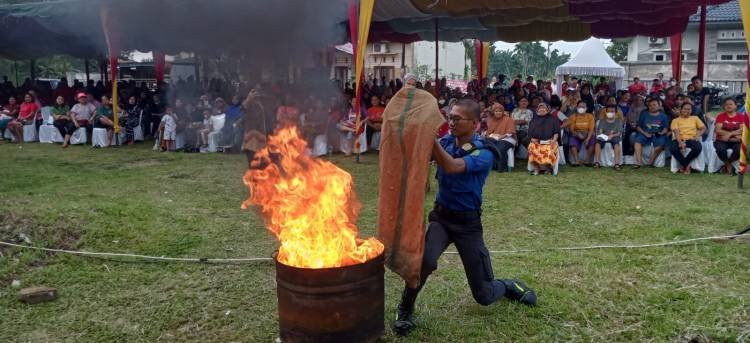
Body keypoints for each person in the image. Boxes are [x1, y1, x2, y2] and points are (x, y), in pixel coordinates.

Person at [393, 99, 537, 336]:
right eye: (449, 117)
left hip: (468, 224)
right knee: (424, 262)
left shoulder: (485, 152)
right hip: (442, 218)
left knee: (483, 295)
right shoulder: (447, 141)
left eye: (457, 119)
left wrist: (428, 138)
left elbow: (450, 166)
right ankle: (405, 307)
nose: (451, 122)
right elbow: (419, 153)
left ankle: (508, 285)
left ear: (474, 122)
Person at [713, 97, 749, 175]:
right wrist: (735, 134)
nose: (728, 106)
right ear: (724, 106)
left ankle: (728, 163)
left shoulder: (741, 117)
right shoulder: (720, 116)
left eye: (731, 104)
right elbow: (718, 130)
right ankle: (728, 165)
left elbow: (742, 130)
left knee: (740, 149)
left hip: (735, 140)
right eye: (726, 104)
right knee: (720, 149)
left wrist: (729, 134)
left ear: (735, 106)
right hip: (722, 140)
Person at [669, 102, 706, 174]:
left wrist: (698, 135)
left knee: (698, 148)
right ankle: (687, 165)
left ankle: (683, 165)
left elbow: (703, 128)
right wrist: (680, 142)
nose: (686, 111)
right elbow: (676, 132)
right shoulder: (675, 120)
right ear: (681, 110)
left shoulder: (695, 118)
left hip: (691, 139)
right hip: (679, 139)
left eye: (689, 109)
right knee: (673, 149)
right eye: (684, 109)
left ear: (691, 110)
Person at [633, 98, 669, 169]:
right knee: (637, 143)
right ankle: (639, 163)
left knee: (661, 145)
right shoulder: (644, 114)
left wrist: (661, 133)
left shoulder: (663, 116)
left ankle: (651, 162)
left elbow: (665, 128)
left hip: (657, 134)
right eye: (650, 105)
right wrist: (645, 133)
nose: (652, 106)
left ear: (659, 106)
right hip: (645, 133)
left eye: (654, 105)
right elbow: (638, 127)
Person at [527, 103, 561, 175]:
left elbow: (556, 132)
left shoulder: (553, 119)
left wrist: (554, 140)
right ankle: (536, 169)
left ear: (547, 110)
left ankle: (548, 169)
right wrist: (532, 139)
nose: (542, 109)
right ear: (537, 110)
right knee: (531, 148)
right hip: (536, 142)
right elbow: (529, 133)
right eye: (540, 108)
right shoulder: (533, 120)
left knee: (548, 150)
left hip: (549, 141)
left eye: (544, 108)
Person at [483, 103, 516, 172]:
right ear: (494, 112)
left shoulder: (509, 119)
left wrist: (501, 137)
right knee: (487, 144)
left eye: (500, 111)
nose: (498, 113)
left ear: (503, 112)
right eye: (496, 111)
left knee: (500, 147)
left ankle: (501, 167)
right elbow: (489, 132)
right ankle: (492, 166)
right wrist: (490, 136)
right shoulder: (492, 120)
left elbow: (510, 132)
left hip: (508, 138)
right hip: (496, 138)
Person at [565, 100, 596, 166]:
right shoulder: (573, 116)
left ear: (586, 108)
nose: (581, 108)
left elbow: (591, 129)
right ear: (577, 107)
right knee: (572, 141)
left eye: (583, 107)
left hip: (588, 133)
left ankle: (587, 161)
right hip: (576, 133)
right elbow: (571, 129)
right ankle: (577, 161)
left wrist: (587, 139)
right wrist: (577, 134)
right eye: (579, 106)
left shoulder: (590, 116)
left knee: (592, 141)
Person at [594, 105, 623, 170]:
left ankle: (616, 163)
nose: (610, 113)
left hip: (614, 136)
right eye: (608, 111)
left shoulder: (618, 121)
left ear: (615, 113)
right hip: (604, 137)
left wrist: (612, 135)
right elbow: (600, 131)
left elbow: (619, 132)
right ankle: (597, 162)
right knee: (597, 144)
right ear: (606, 112)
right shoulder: (602, 121)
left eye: (612, 111)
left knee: (617, 144)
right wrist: (604, 136)